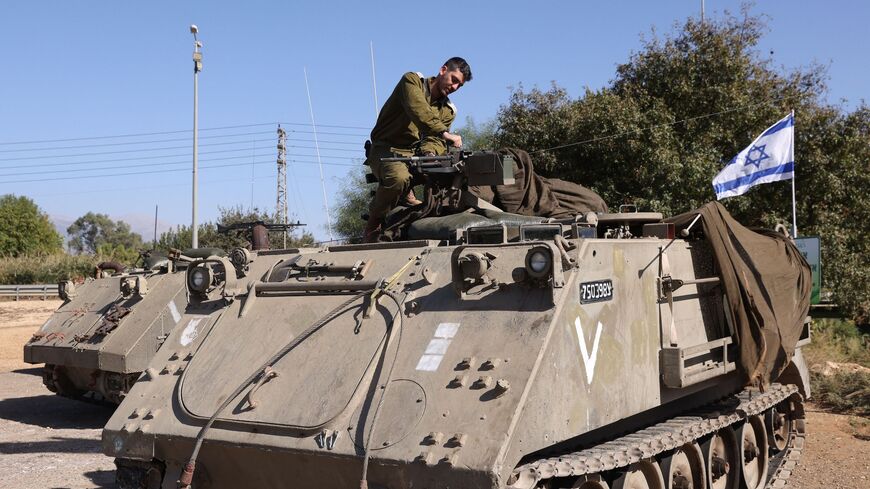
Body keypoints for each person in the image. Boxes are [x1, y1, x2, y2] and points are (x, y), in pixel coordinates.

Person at [362, 57, 472, 242]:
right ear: (443, 70)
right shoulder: (412, 81)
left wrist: (430, 155)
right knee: (398, 178)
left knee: (447, 175)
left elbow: (433, 140)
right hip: (386, 148)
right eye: (454, 80)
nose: (454, 88)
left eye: (459, 86)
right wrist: (444, 133)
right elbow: (418, 110)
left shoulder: (448, 110)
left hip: (415, 154)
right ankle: (374, 223)